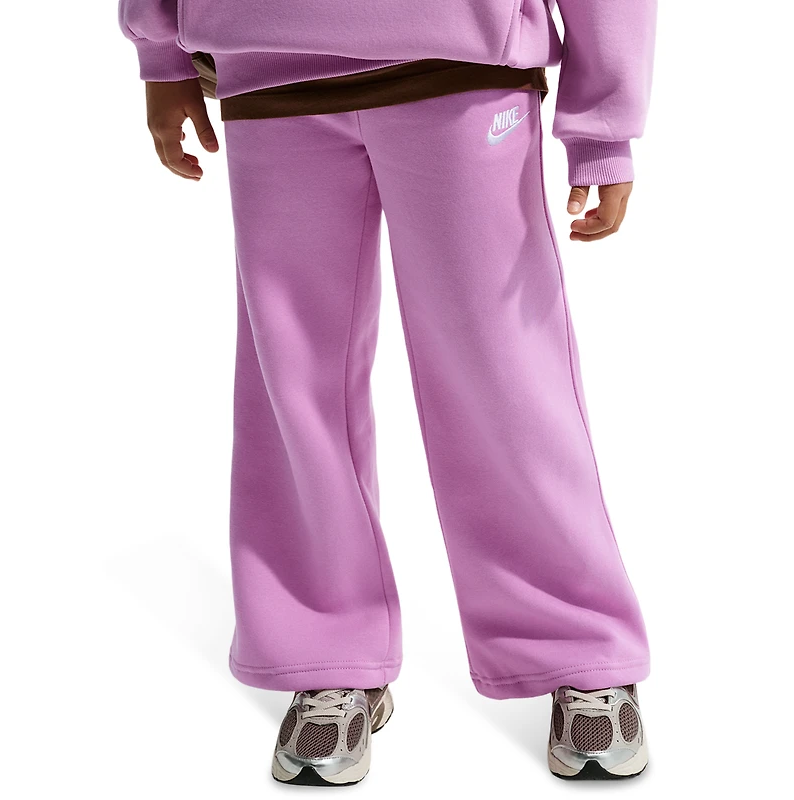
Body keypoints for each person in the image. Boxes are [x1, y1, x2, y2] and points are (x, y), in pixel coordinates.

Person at [118, 0, 656, 785]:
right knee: (293, 382)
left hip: (461, 66)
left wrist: (605, 121)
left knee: (503, 377)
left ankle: (577, 647)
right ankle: (325, 653)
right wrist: (159, 49)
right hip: (269, 68)